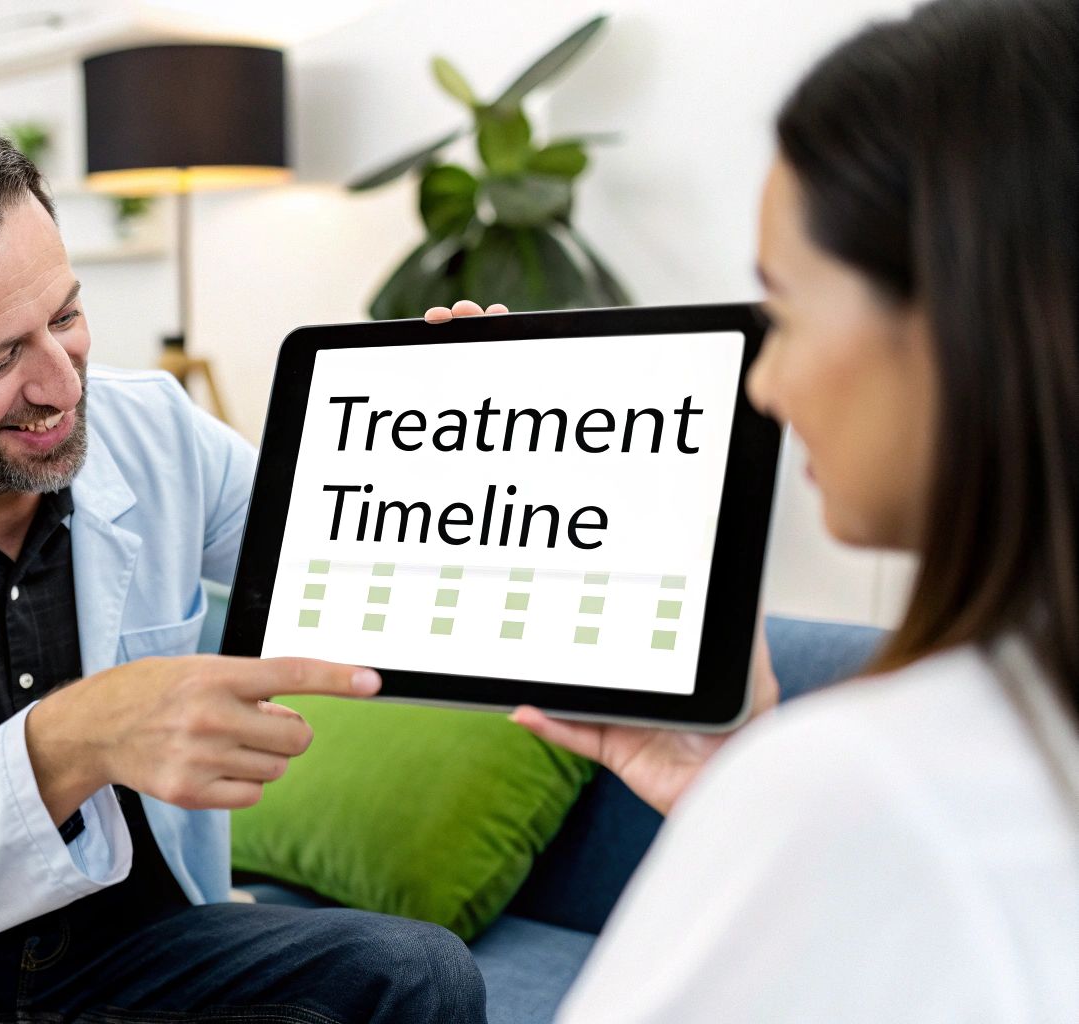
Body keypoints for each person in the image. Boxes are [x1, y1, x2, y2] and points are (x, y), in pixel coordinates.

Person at [0, 112, 487, 1024]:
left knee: (416, 972)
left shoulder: (156, 429)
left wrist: (468, 440)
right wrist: (77, 737)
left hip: (129, 942)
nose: (61, 385)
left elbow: (362, 572)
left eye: (64, 317)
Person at [433, 0, 1078, 1018]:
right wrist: (736, 793)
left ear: (963, 316)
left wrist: (775, 805)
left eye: (784, 312)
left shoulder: (866, 780)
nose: (765, 386)